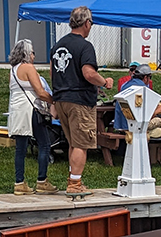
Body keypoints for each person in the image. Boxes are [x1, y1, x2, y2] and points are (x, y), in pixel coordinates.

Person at [50, 5, 114, 196]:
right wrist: (104, 82)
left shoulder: (58, 45)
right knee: (81, 143)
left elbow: (53, 72)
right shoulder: (85, 46)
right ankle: (75, 185)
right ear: (87, 23)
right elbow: (88, 73)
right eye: (91, 23)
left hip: (61, 98)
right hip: (79, 100)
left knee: (73, 142)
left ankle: (74, 179)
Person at [8, 39, 58, 195]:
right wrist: (55, 101)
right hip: (32, 111)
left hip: (17, 111)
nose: (34, 56)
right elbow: (40, 92)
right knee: (44, 144)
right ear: (27, 53)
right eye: (33, 52)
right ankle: (42, 180)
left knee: (20, 149)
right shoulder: (29, 68)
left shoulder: (13, 69)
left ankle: (19, 182)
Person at [113, 64, 161, 170]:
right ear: (145, 77)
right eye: (150, 77)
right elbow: (144, 116)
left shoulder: (125, 85)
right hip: (136, 125)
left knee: (160, 127)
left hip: (122, 124)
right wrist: (158, 110)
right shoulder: (142, 89)